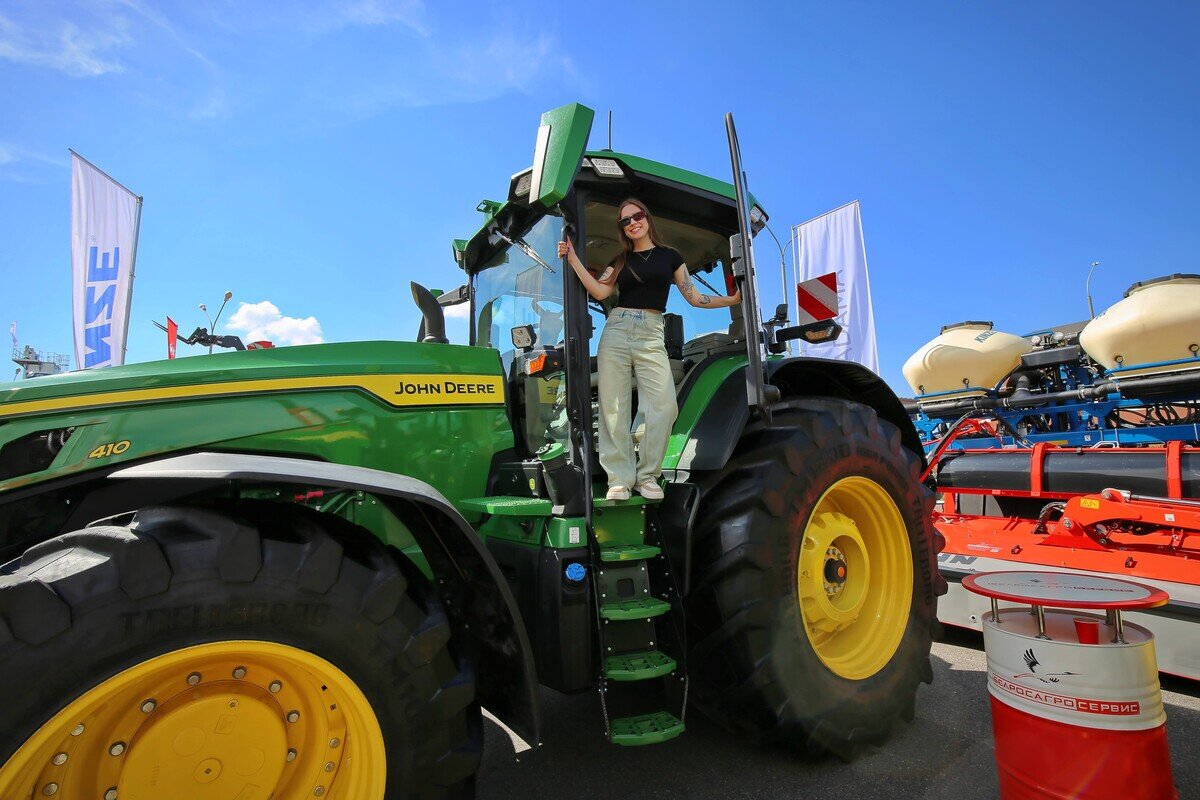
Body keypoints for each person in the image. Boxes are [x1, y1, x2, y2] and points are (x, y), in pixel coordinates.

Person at [558, 198, 741, 500]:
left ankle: (647, 476)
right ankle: (619, 478)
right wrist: (574, 260)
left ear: (647, 218)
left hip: (652, 332)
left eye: (636, 216)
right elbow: (602, 291)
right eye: (625, 221)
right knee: (613, 407)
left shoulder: (670, 256)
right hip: (617, 329)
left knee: (664, 405)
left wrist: (732, 301)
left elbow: (694, 296)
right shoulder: (619, 261)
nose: (632, 223)